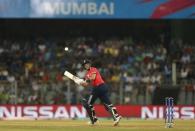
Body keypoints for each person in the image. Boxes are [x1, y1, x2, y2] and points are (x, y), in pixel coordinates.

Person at [80, 59, 122, 126]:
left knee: (89, 104)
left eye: (87, 64)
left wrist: (86, 80)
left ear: (89, 64)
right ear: (84, 66)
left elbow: (93, 78)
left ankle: (94, 121)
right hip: (100, 88)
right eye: (85, 65)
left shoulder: (93, 69)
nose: (86, 65)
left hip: (99, 87)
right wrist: (81, 83)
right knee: (108, 104)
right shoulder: (87, 74)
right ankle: (117, 117)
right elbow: (86, 84)